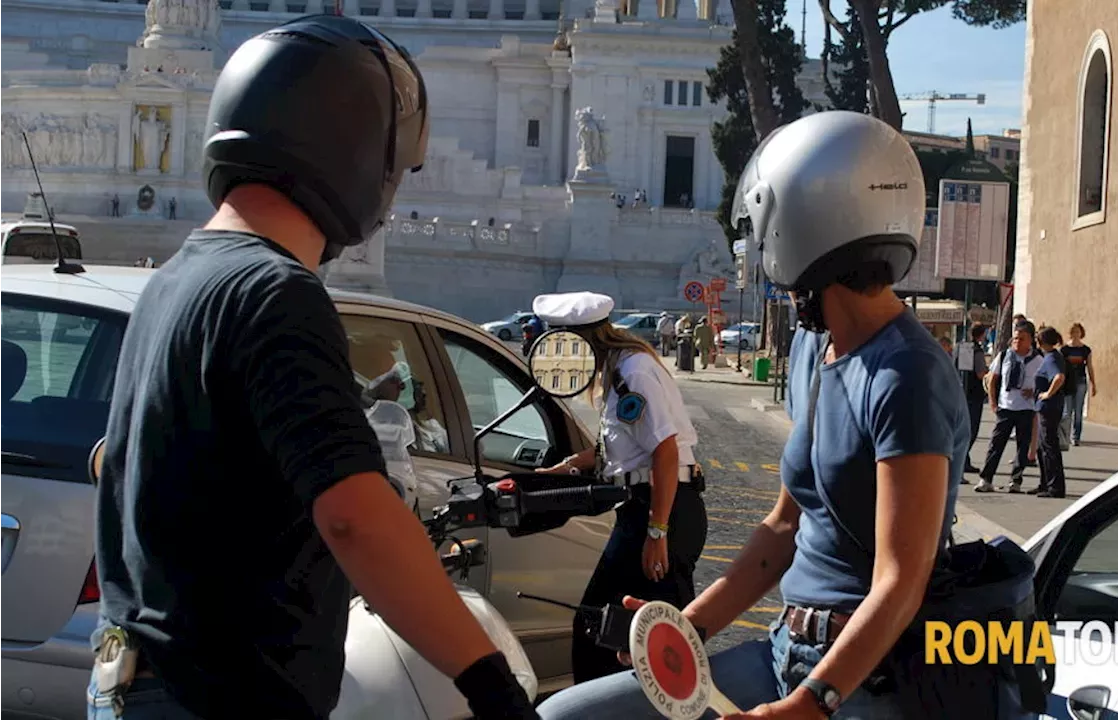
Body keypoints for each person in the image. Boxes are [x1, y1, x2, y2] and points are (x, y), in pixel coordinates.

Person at [89, 16, 535, 720]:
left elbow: (115, 460)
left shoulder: (175, 279)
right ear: (350, 147)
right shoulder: (276, 294)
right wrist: (491, 684)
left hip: (140, 680)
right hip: (218, 699)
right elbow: (355, 519)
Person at [538, 111, 1041, 720]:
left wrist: (813, 704)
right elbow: (781, 531)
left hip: (864, 681)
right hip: (785, 649)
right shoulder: (814, 347)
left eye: (763, 225)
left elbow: (901, 580)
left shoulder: (907, 375)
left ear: (802, 226)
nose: (757, 246)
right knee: (570, 715)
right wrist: (686, 628)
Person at [532, 291, 708, 684]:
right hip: (648, 506)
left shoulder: (633, 371)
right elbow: (619, 449)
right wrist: (564, 468)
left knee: (616, 632)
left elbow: (664, 451)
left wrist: (656, 532)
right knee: (630, 636)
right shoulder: (617, 371)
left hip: (662, 508)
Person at [975, 322, 1042, 494]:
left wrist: (1033, 391)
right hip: (1005, 407)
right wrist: (992, 402)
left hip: (1026, 408)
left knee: (1022, 446)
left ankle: (1016, 480)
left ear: (1030, 340)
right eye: (1015, 338)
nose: (1017, 342)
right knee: (996, 444)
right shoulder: (1004, 356)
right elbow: (993, 380)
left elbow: (1044, 385)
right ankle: (986, 479)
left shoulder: (1038, 360)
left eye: (1022, 339)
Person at [1030, 327, 1068, 498]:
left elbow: (1059, 377)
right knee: (1042, 447)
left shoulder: (1052, 358)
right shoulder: (1053, 357)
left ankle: (1055, 487)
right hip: (1047, 407)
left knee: (1049, 447)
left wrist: (1047, 394)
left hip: (1049, 408)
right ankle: (1045, 483)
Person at [957, 324, 989, 476]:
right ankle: (961, 461)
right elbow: (980, 373)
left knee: (964, 428)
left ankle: (965, 461)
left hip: (961, 391)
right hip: (974, 394)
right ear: (981, 334)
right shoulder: (976, 351)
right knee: (971, 429)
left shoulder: (961, 347)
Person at [1059, 322, 1095, 446]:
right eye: (1073, 331)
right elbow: (1060, 367)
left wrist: (1093, 383)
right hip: (1067, 383)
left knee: (1078, 411)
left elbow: (1090, 367)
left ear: (1081, 333)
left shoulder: (1086, 350)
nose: (1075, 334)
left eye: (1078, 331)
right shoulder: (1064, 350)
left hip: (1080, 381)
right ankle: (1065, 436)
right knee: (1067, 411)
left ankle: (1076, 436)